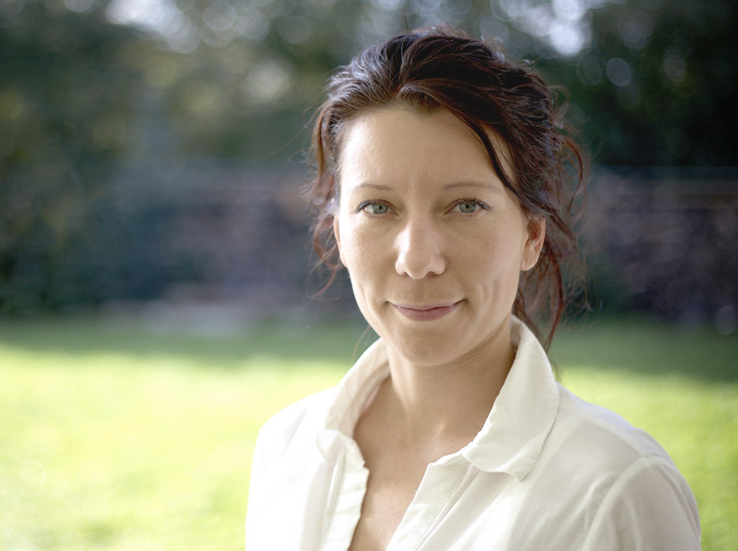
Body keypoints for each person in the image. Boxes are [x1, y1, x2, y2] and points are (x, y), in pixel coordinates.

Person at [245, 27, 700, 550]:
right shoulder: (288, 448)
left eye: (465, 206)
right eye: (377, 207)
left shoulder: (615, 491)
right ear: (339, 232)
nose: (417, 260)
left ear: (531, 235)